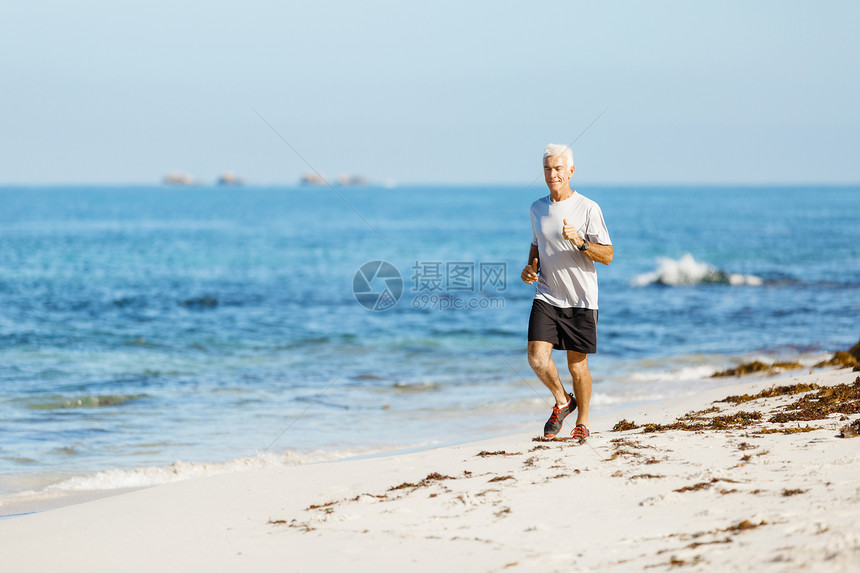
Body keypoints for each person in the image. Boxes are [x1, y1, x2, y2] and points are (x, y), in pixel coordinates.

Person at [521, 143, 613, 444]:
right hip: (547, 295)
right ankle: (562, 401)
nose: (552, 174)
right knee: (536, 357)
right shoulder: (537, 209)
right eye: (547, 169)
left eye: (558, 168)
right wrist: (529, 270)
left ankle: (583, 423)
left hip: (581, 299)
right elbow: (536, 249)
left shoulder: (588, 208)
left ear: (571, 171)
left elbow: (608, 255)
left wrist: (581, 242)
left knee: (577, 365)